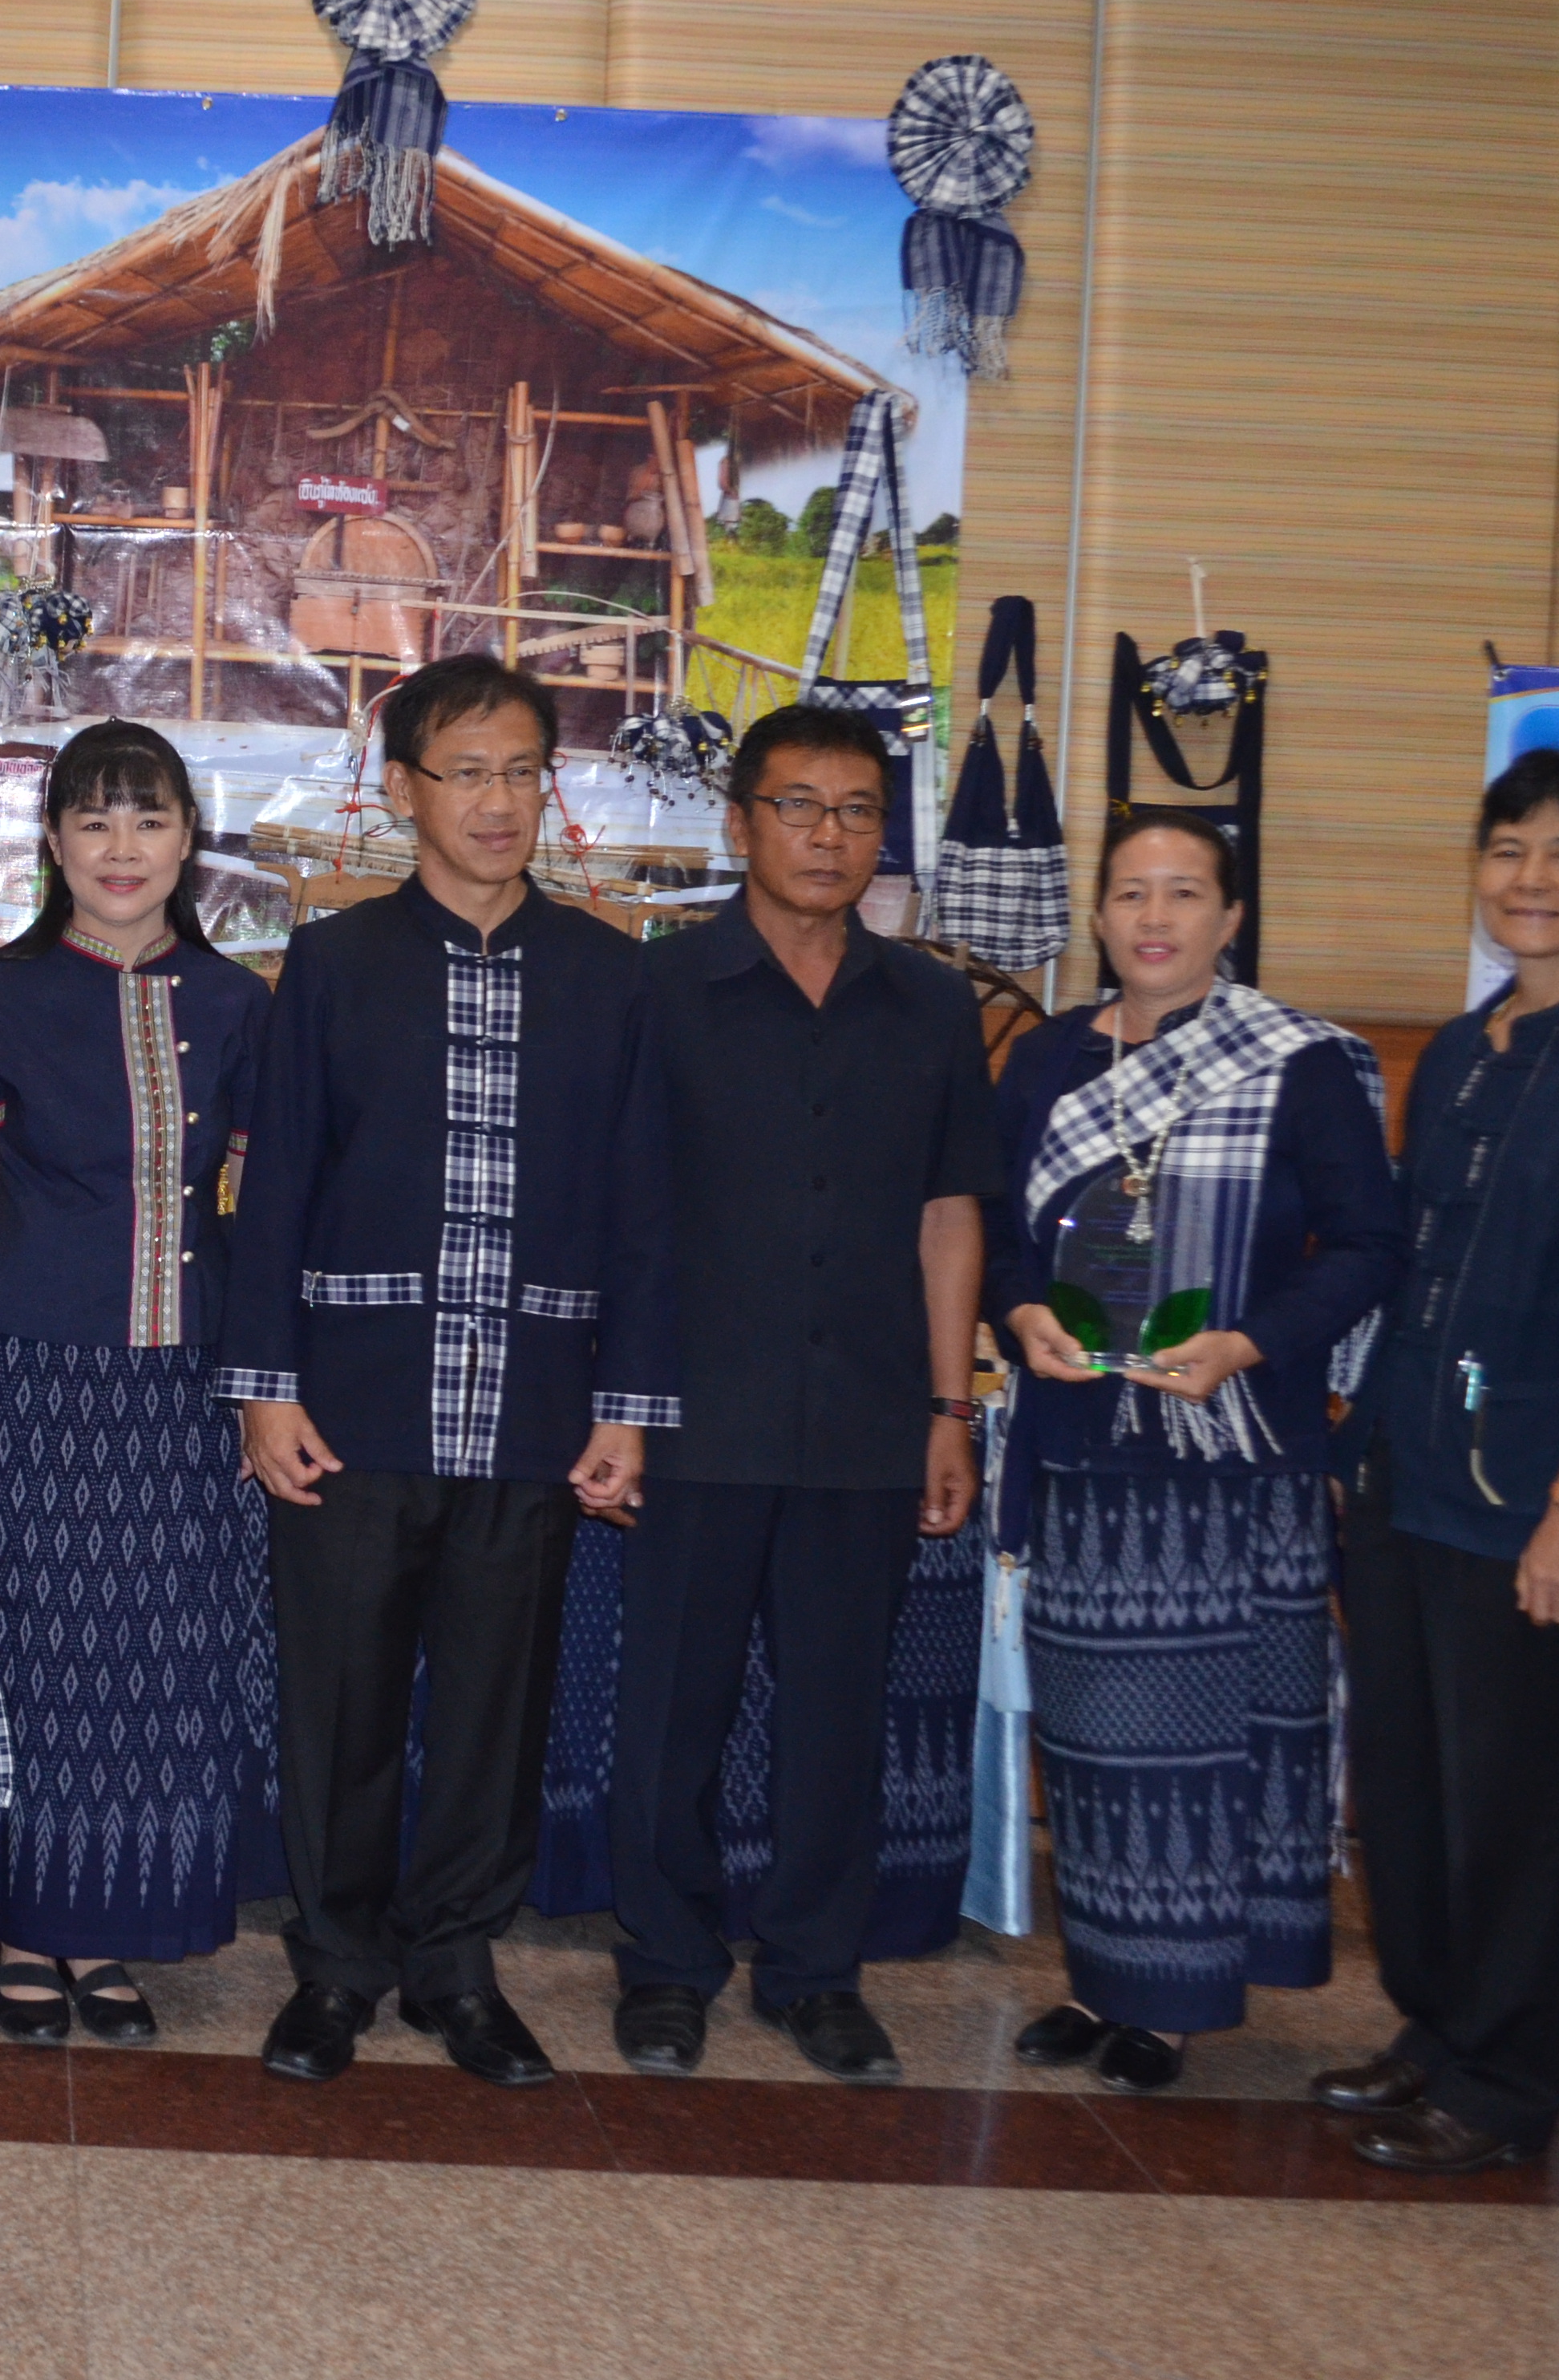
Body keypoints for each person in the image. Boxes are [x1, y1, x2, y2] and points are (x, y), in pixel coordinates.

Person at [217, 651, 676, 2090]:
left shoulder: (612, 975)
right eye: (466, 771)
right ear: (404, 789)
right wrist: (264, 1385)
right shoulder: (336, 963)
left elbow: (646, 1206)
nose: (496, 801)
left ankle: (458, 1968)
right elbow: (276, 1192)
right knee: (340, 1704)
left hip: (535, 1404)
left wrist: (629, 1406)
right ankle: (336, 1970)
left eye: (522, 771)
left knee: (497, 1705)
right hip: (355, 1400)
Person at [605, 705, 1001, 2086]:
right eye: (798, 806)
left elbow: (950, 1215)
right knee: (674, 1711)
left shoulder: (932, 1006)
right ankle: (666, 1966)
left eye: (856, 811)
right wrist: (618, 1404)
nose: (828, 836)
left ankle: (816, 1972)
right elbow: (621, 1216)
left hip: (869, 1417)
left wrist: (949, 1412)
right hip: (694, 1411)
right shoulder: (656, 989)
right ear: (739, 823)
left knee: (839, 1715)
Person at [1326, 748, 1559, 2172]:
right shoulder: (1460, 1051)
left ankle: (1507, 2079)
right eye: (1508, 849)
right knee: (1410, 1786)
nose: (1531, 879)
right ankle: (1436, 2029)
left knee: (1521, 1803)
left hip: (1535, 1502)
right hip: (1406, 1477)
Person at [986, 810, 1400, 2092]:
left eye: (1182, 893)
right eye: (1130, 893)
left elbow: (1371, 1248)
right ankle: (1102, 1977)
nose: (1154, 917)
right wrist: (1024, 1313)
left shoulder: (1298, 1062)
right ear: (1098, 916)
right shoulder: (1050, 1057)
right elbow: (997, 1232)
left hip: (1231, 1458)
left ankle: (1168, 2000)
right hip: (1085, 1444)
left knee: (1199, 1745)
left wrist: (1251, 1343)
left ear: (1230, 918)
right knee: (1092, 1740)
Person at [0, 719, 273, 2045]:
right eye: (94, 820)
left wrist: (262, 1381)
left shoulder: (239, 1005)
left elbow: (257, 1211)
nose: (123, 848)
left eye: (150, 819)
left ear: (189, 841)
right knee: (41, 1652)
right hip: (35, 1370)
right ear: (54, 843)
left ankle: (111, 1924)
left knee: (161, 1658)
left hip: (187, 1385)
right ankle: (31, 1927)